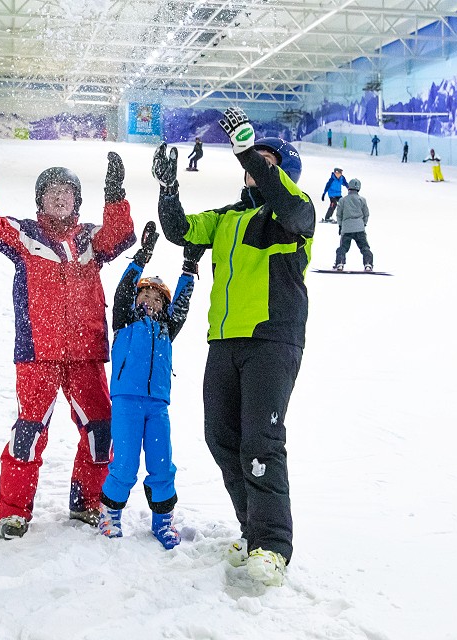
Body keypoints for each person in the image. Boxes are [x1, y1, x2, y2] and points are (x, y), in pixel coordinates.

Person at [152, 106, 315, 587]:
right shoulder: (226, 219)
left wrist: (248, 146)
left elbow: (288, 205)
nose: (255, 165)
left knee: (261, 443)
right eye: (250, 160)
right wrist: (168, 190)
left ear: (282, 173)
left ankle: (271, 546)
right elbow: (181, 231)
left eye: (267, 160)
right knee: (222, 438)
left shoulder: (292, 215)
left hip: (271, 340)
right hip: (223, 343)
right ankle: (252, 529)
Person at [0, 134, 136, 540]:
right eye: (52, 192)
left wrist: (115, 194)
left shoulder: (90, 240)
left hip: (86, 353)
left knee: (100, 431)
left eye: (68, 192)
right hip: (37, 351)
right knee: (28, 431)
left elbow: (120, 234)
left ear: (77, 201)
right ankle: (14, 512)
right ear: (40, 200)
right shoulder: (25, 235)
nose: (60, 198)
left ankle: (86, 502)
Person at [97, 222, 200, 550]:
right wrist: (141, 257)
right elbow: (123, 290)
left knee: (161, 462)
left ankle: (163, 520)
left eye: (158, 297)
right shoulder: (125, 320)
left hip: (157, 405)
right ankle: (110, 513)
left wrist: (189, 268)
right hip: (126, 402)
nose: (151, 300)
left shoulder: (168, 328)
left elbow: (182, 303)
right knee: (124, 463)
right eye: (146, 293)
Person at [333, 178, 374, 271]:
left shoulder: (343, 200)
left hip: (346, 227)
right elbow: (366, 214)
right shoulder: (362, 200)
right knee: (364, 247)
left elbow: (339, 214)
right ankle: (368, 264)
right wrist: (363, 224)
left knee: (343, 247)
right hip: (359, 228)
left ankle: (340, 263)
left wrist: (340, 225)